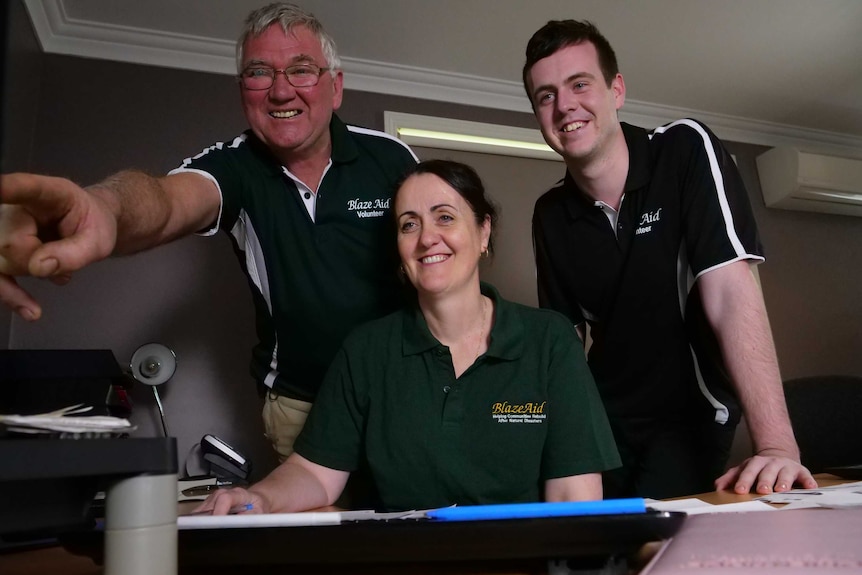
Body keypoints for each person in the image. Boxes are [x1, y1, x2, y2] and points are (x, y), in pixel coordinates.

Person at [0, 3, 417, 461]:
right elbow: (166, 200)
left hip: (400, 389)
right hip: (301, 406)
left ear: (334, 87)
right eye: (260, 73)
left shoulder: (391, 158)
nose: (280, 91)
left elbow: (436, 256)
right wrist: (103, 207)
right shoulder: (235, 165)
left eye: (301, 70)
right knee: (318, 530)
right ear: (243, 92)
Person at [197, 159, 621, 514]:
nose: (426, 238)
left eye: (446, 217)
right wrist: (257, 498)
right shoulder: (366, 350)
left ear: (483, 232)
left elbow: (573, 497)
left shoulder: (549, 342)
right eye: (408, 224)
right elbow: (315, 473)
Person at [522, 20, 817, 499]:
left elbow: (729, 290)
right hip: (603, 414)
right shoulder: (550, 214)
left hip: (687, 415)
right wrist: (550, 442)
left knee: (656, 540)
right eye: (546, 96)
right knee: (586, 542)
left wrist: (778, 444)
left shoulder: (682, 149)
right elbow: (564, 343)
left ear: (616, 89)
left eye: (580, 84)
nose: (565, 106)